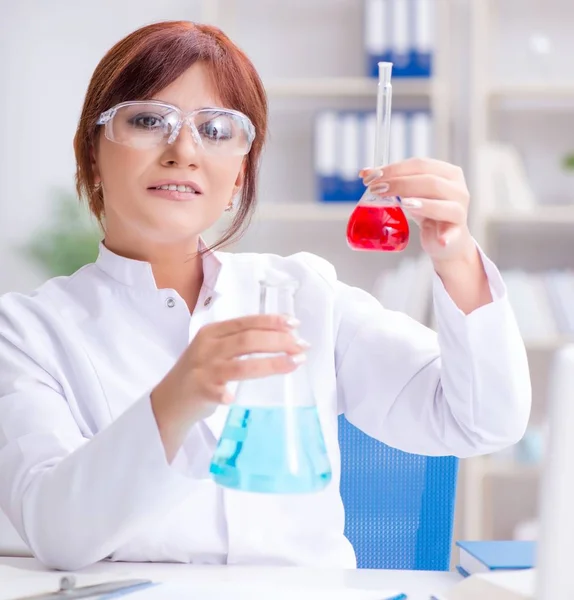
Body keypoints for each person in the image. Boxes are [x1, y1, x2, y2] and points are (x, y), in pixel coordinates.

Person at [0, 20, 531, 571]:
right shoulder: (27, 331)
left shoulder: (304, 294)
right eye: (149, 120)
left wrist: (457, 257)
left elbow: (481, 421)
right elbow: (55, 532)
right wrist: (179, 396)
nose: (183, 149)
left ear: (239, 176)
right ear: (91, 155)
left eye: (217, 129)